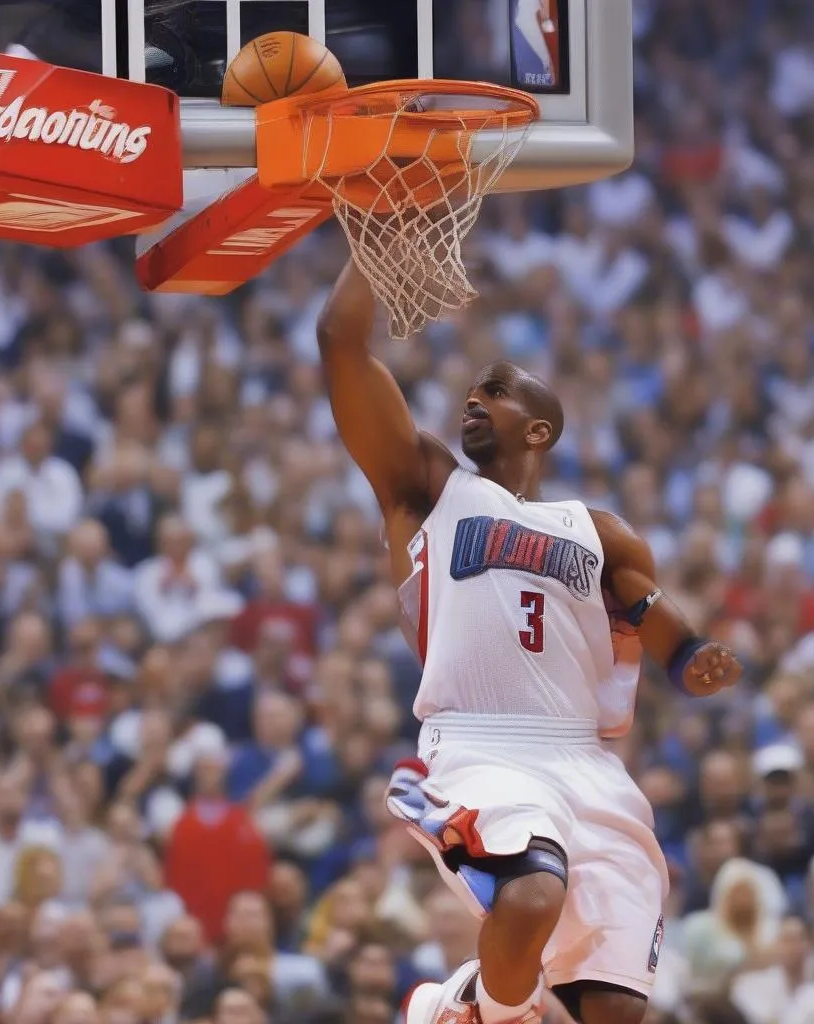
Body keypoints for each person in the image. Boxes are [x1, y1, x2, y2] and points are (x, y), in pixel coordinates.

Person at [316, 261, 742, 1024]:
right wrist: (375, 241)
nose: (474, 400)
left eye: (498, 391)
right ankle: (481, 1011)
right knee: (532, 893)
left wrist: (692, 659)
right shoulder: (430, 488)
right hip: (483, 744)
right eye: (471, 392)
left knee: (614, 1009)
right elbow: (340, 344)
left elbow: (662, 623)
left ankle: (484, 998)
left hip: (586, 760)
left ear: (540, 430)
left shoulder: (600, 530)